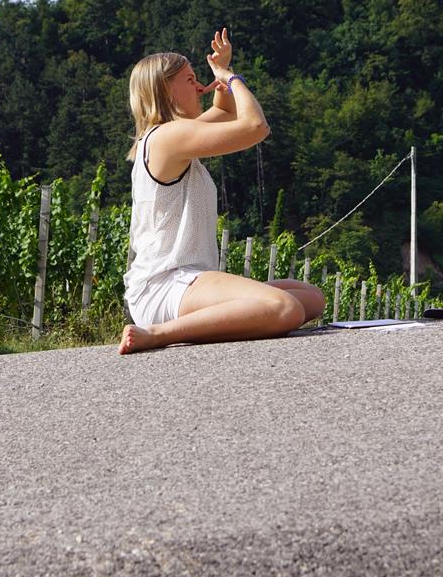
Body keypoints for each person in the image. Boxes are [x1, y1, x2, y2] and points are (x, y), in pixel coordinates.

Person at [119, 28, 325, 354]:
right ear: (165, 90)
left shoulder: (173, 136)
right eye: (189, 80)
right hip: (165, 285)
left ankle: (189, 321)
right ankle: (158, 333)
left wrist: (222, 71)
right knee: (286, 309)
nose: (199, 86)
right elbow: (255, 126)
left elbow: (227, 113)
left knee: (312, 298)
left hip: (188, 280)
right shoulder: (166, 138)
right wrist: (230, 78)